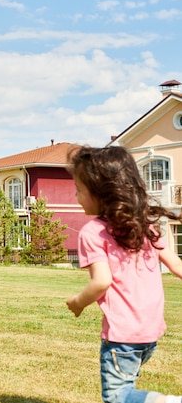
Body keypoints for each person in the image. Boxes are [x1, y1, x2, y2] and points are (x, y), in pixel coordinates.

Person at [66, 145, 182, 403]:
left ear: (101, 193)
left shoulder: (93, 233)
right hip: (150, 333)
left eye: (79, 190)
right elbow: (177, 265)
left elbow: (101, 282)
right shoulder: (144, 225)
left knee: (118, 397)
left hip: (122, 336)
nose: (76, 197)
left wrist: (77, 302)